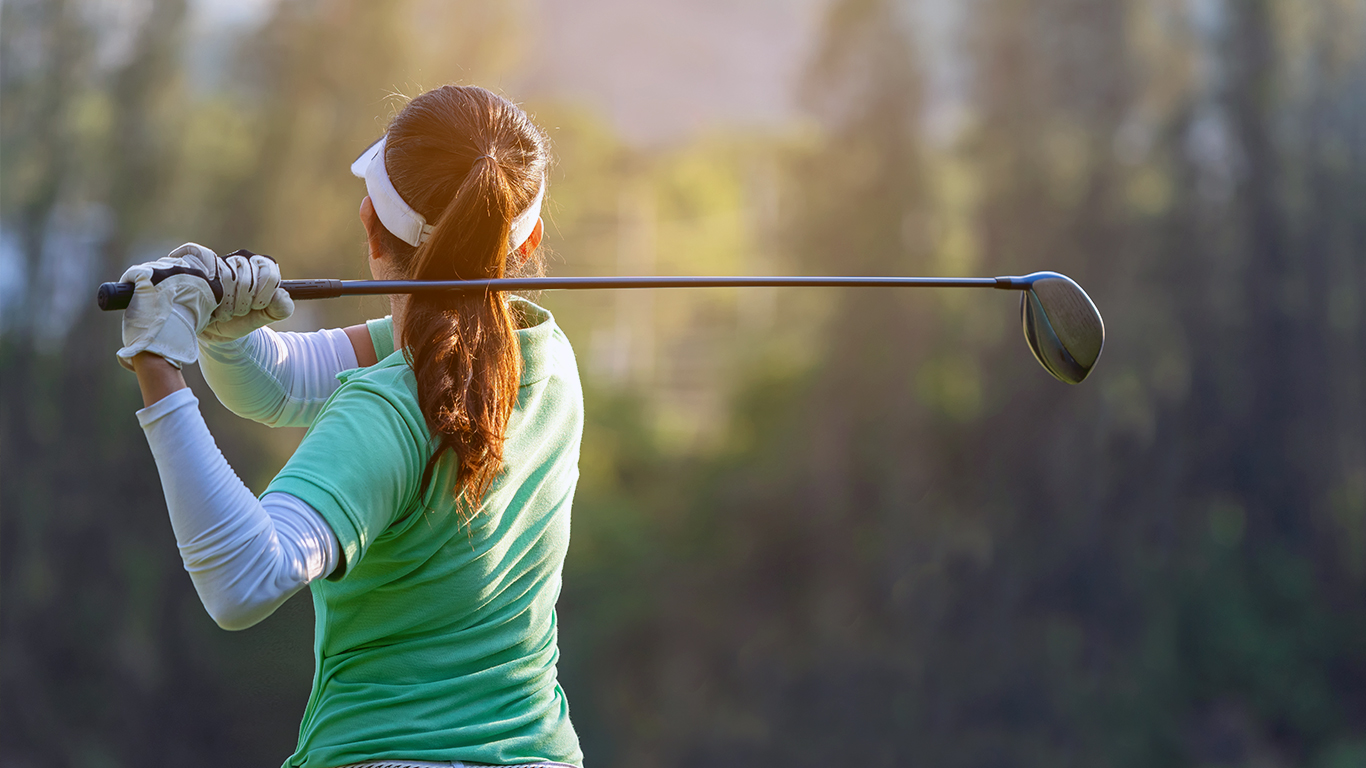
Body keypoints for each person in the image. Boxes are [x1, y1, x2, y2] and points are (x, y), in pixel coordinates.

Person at [117, 85, 583, 768]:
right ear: (529, 238)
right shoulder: (551, 363)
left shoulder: (389, 407)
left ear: (371, 227)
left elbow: (242, 579)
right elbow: (281, 386)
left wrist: (157, 363)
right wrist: (225, 335)